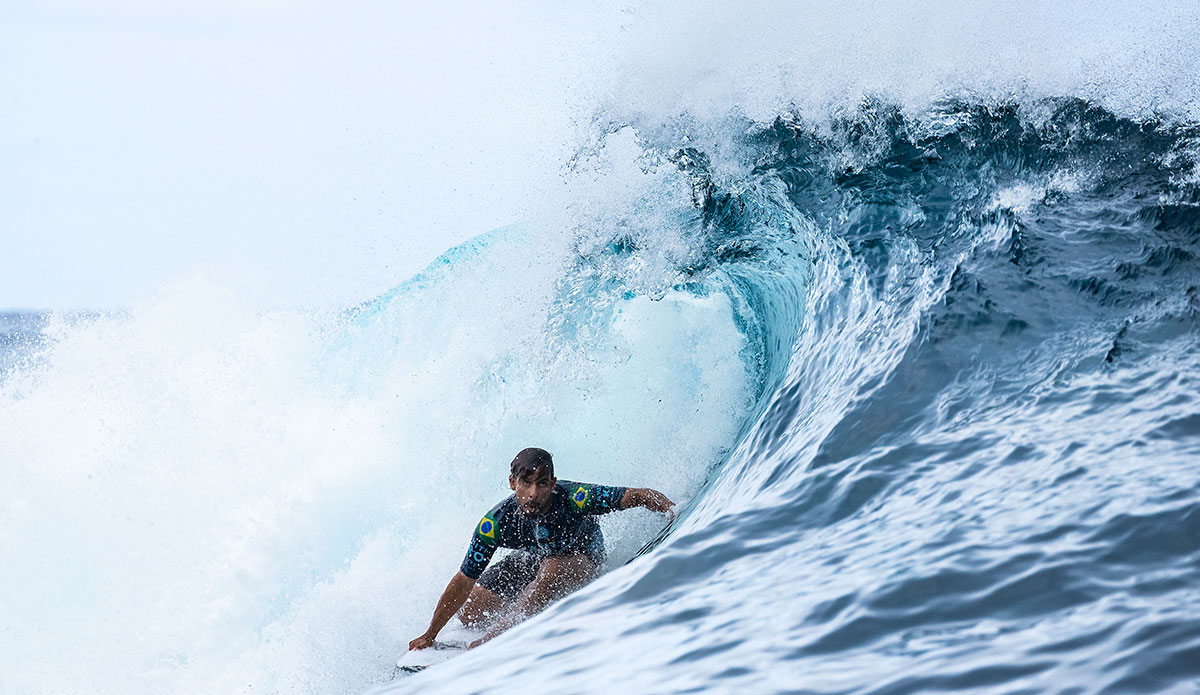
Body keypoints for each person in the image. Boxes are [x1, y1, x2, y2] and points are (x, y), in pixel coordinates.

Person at [408, 447, 675, 651]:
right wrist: (430, 635)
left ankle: (502, 632)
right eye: (526, 483)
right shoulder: (495, 523)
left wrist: (673, 512)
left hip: (581, 559)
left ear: (553, 483)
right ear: (513, 483)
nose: (534, 493)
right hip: (535, 559)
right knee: (469, 612)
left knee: (551, 569)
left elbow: (638, 495)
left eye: (542, 483)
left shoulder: (576, 498)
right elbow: (464, 579)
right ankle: (521, 606)